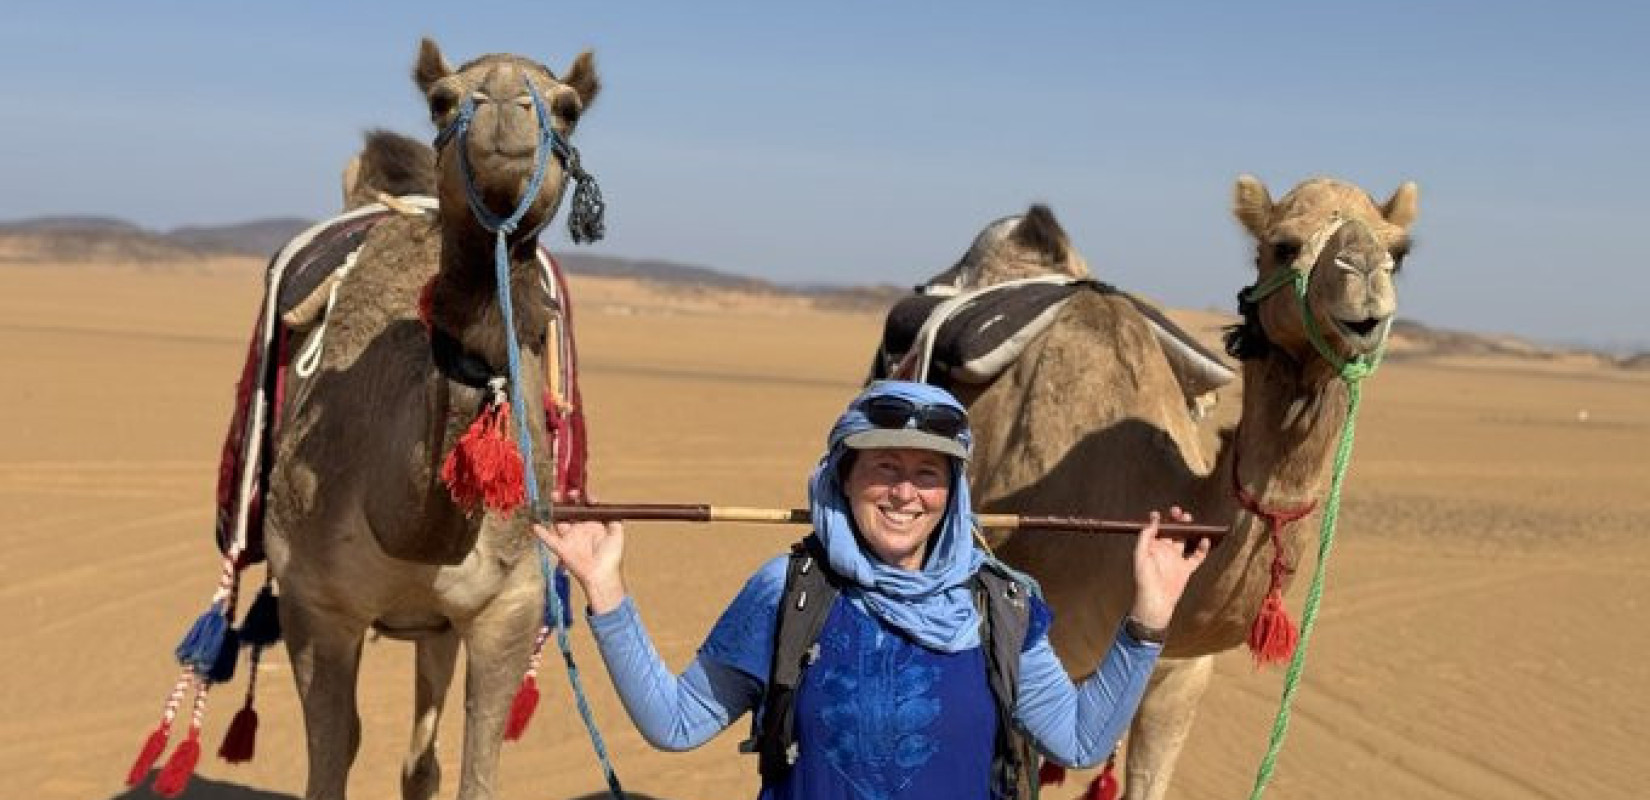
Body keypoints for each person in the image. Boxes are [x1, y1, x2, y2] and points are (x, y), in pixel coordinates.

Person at [535, 380, 1210, 799]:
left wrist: (1149, 613)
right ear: (844, 478)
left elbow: (1082, 740)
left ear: (954, 493)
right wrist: (607, 590)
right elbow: (675, 724)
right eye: (884, 466)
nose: (905, 493)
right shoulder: (789, 592)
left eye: (928, 473)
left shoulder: (1001, 604)